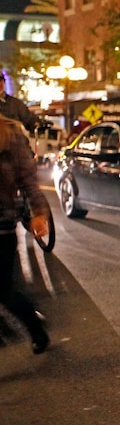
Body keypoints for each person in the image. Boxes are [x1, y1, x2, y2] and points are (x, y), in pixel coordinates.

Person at [0, 115, 51, 354]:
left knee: (3, 290)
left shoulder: (9, 133)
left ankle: (34, 326)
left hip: (1, 224)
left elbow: (28, 180)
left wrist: (39, 212)